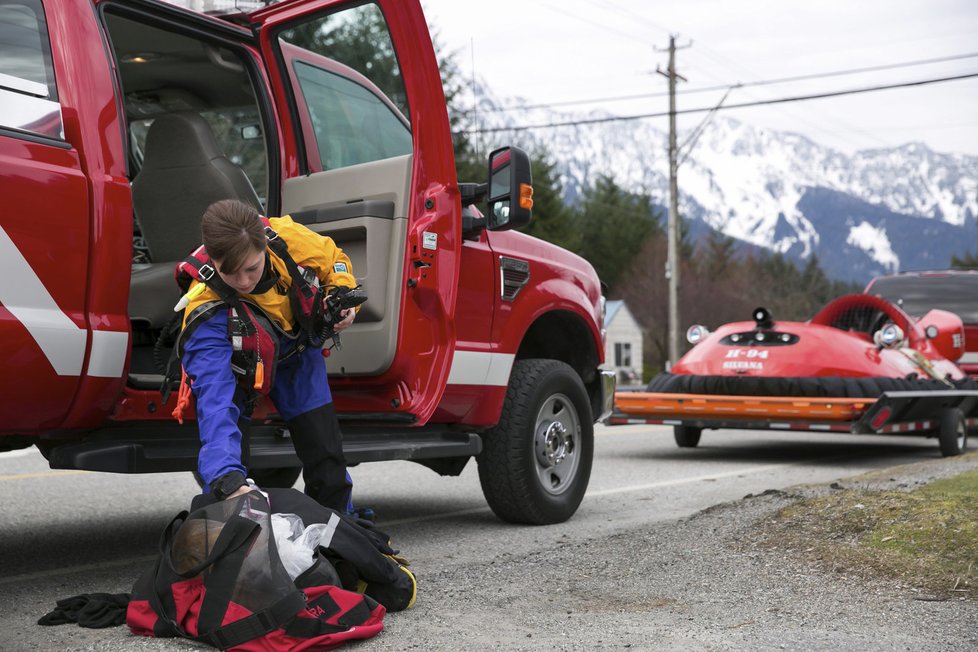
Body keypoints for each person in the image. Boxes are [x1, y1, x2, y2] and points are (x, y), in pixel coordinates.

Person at [177, 198, 358, 510]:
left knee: (326, 451)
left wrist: (344, 295)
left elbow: (334, 260)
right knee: (228, 471)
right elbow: (215, 405)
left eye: (251, 268)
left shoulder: (286, 237)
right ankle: (228, 521)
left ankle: (340, 528)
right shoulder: (204, 311)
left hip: (296, 354)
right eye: (230, 272)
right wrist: (226, 478)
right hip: (241, 363)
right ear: (213, 259)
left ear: (264, 247)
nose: (244, 281)